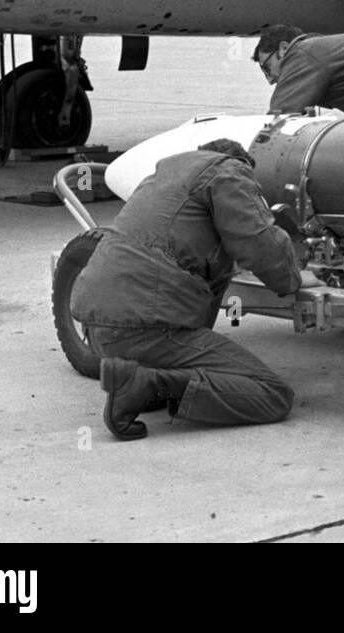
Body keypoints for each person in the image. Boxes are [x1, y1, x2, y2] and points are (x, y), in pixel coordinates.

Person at [70, 139, 303, 441]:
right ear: (240, 162)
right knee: (272, 395)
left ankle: (143, 380)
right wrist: (293, 280)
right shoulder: (228, 171)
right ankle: (147, 383)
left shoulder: (165, 176)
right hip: (144, 326)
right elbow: (261, 246)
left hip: (99, 329)